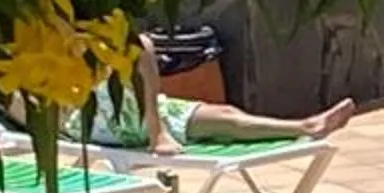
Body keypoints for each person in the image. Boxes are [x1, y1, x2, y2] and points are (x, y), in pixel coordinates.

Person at [97, 41, 354, 154]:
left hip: (129, 108)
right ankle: (157, 133)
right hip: (98, 117)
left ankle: (306, 126)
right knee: (142, 48)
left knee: (226, 114)